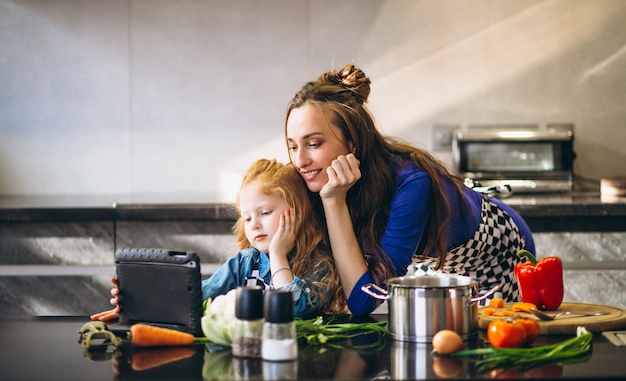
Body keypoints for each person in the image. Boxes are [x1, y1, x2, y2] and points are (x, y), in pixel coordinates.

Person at [285, 64, 536, 317]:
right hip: (435, 264)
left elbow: (363, 301)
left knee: (486, 343)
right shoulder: (312, 176)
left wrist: (334, 202)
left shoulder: (412, 183)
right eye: (293, 146)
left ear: (353, 142)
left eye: (314, 143)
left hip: (497, 252)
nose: (300, 161)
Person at [91, 159, 345, 321]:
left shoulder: (319, 265)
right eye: (246, 218)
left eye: (265, 213)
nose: (254, 224)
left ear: (298, 213)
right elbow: (196, 298)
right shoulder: (245, 264)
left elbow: (294, 309)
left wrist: (278, 256)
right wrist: (139, 304)